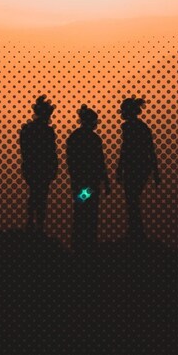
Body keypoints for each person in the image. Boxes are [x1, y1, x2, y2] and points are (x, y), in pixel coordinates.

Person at [66, 105, 110, 251]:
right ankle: (87, 243)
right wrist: (106, 181)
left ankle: (80, 242)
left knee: (81, 210)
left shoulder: (74, 137)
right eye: (95, 121)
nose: (96, 123)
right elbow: (100, 161)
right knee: (89, 212)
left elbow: (71, 161)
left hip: (82, 182)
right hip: (89, 183)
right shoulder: (93, 138)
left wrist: (74, 178)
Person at [116, 97, 160, 240]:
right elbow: (150, 149)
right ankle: (136, 230)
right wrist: (155, 171)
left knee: (132, 199)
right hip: (142, 167)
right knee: (132, 199)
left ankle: (136, 231)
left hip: (135, 167)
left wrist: (119, 169)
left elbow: (126, 149)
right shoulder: (142, 127)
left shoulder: (130, 127)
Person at [19, 96, 58, 233]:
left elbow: (24, 149)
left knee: (35, 194)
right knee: (40, 195)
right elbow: (52, 152)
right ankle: (37, 225)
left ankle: (32, 223)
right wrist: (53, 167)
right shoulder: (47, 131)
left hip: (33, 167)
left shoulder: (28, 129)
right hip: (41, 167)